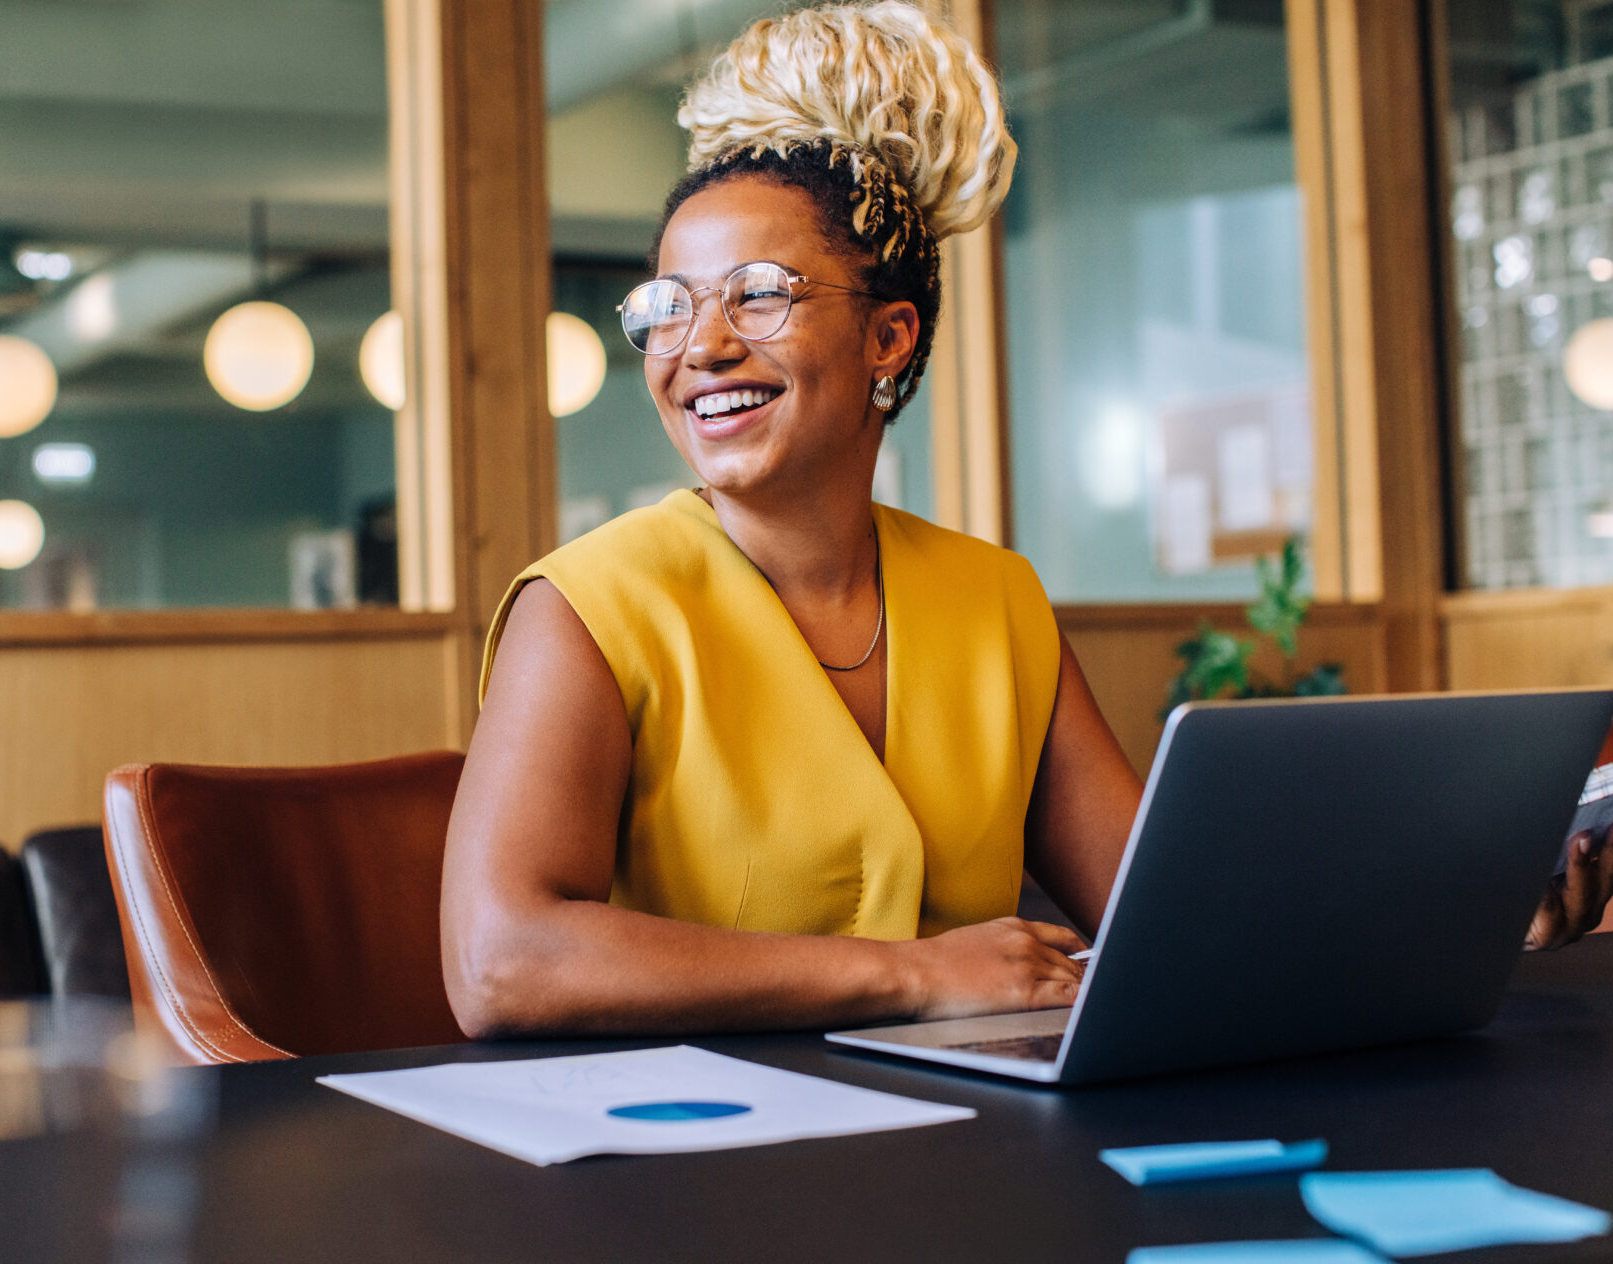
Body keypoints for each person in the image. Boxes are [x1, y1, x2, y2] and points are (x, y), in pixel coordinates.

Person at [440, 0, 1613, 1040]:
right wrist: (902, 977)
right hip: (679, 1161)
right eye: (671, 305)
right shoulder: (586, 606)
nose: (700, 346)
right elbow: (502, 964)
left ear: (888, 337)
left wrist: (1471, 915)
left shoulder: (991, 597)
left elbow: (1171, 915)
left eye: (759, 293)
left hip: (961, 1143)